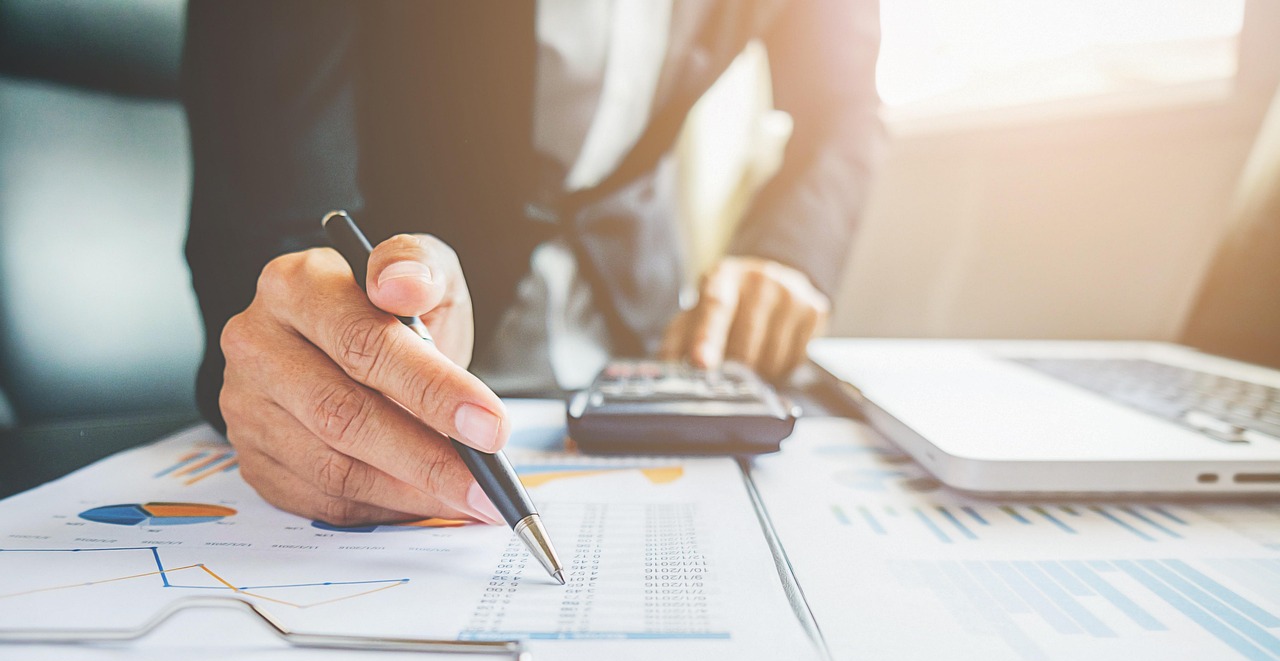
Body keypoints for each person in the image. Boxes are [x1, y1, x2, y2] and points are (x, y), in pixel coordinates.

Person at [182, 0, 881, 528]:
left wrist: (791, 253)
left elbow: (843, 102)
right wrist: (299, 341)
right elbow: (265, 180)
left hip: (647, 349)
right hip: (406, 341)